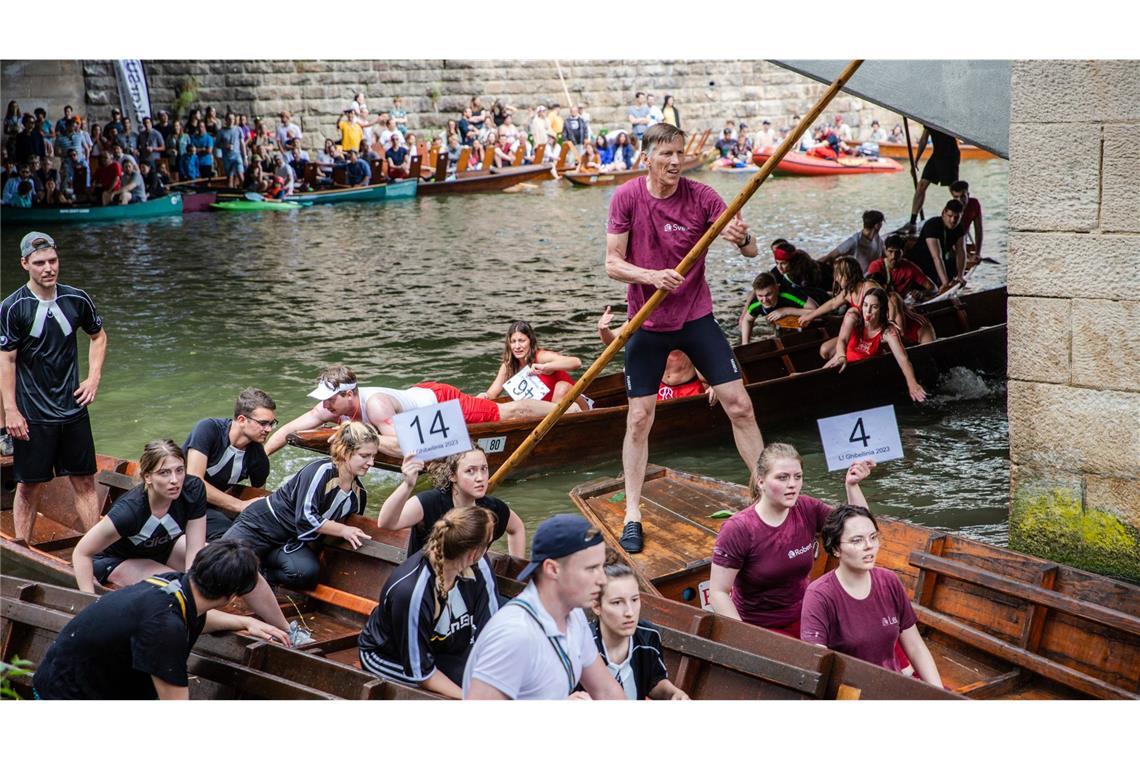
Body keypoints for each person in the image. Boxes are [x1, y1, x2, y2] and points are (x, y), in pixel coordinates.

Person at [605, 123, 765, 553]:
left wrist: (743, 237)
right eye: (665, 155)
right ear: (647, 159)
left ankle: (763, 498)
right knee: (639, 418)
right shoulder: (627, 197)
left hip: (696, 317)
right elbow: (612, 263)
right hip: (646, 322)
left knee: (741, 404)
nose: (674, 161)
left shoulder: (703, 197)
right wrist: (651, 275)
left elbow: (751, 250)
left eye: (679, 153)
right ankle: (633, 513)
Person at [32, 540, 289, 699]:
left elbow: (195, 616)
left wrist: (245, 623)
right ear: (232, 596)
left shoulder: (172, 584)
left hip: (67, 681)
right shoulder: (165, 629)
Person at [221, 421, 377, 638]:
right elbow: (305, 518)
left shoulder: (358, 494)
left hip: (291, 541)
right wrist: (342, 530)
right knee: (222, 563)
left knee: (306, 573)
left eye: (373, 456)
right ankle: (247, 570)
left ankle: (261, 573)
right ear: (345, 452)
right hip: (260, 525)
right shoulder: (320, 471)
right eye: (365, 456)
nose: (371, 462)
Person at [1, 233, 106, 543]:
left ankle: (94, 550)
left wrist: (93, 378)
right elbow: (6, 361)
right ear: (24, 264)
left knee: (85, 481)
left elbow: (98, 336)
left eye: (52, 261)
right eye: (39, 263)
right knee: (28, 484)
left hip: (73, 408)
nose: (48, 268)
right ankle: (24, 547)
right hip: (33, 412)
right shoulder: (12, 307)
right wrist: (10, 412)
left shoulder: (77, 298)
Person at [710, 443, 873, 636]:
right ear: (761, 481)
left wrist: (852, 485)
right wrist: (745, 637)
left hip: (808, 614)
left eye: (798, 477)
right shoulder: (739, 529)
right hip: (763, 627)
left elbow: (858, 529)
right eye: (782, 477)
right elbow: (718, 593)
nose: (792, 485)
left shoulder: (806, 508)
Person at [463, 514, 624, 700]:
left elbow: (606, 691)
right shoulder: (514, 635)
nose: (602, 580)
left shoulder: (574, 615)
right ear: (553, 569)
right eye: (591, 569)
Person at [265, 364, 580, 457]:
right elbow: (289, 429)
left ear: (349, 394)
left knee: (503, 414)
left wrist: (349, 435)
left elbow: (407, 447)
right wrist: (260, 455)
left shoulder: (374, 408)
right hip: (417, 399)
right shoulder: (332, 406)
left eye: (331, 400)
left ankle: (565, 410)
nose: (326, 405)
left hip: (439, 400)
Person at [359, 505, 497, 698]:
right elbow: (421, 672)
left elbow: (491, 630)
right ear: (474, 553)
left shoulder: (479, 564)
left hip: (442, 649)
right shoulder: (412, 591)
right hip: (391, 657)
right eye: (489, 544)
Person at [801, 504, 943, 686]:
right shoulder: (820, 595)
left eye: (873, 537)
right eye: (857, 540)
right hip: (849, 692)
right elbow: (816, 662)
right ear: (836, 549)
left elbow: (916, 648)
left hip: (892, 684)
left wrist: (940, 694)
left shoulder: (889, 581)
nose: (869, 546)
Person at [71, 439, 205, 593]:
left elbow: (196, 548)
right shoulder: (129, 511)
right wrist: (88, 599)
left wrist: (193, 581)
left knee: (213, 563)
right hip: (117, 559)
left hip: (160, 547)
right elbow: (81, 552)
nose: (175, 480)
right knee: (173, 587)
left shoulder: (193, 490)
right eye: (164, 473)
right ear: (147, 477)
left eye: (179, 470)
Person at [379, 446, 526, 556]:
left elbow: (517, 528)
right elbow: (386, 523)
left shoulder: (493, 508)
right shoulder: (430, 502)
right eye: (470, 471)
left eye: (484, 469)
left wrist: (516, 570)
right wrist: (407, 485)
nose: (480, 477)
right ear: (452, 476)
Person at [183, 388, 276, 541]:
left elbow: (258, 495)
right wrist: (239, 505)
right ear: (241, 420)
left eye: (272, 423)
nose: (269, 429)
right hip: (180, 500)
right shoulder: (208, 429)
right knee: (228, 536)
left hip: (211, 509)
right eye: (263, 423)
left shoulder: (258, 458)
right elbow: (194, 481)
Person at [586, 563, 689, 699]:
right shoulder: (580, 646)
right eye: (617, 602)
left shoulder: (648, 636)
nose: (630, 612)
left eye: (634, 599)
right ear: (597, 606)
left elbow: (654, 681)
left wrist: (674, 693)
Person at [824, 287, 928, 402]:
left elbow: (903, 359)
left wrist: (912, 383)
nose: (867, 311)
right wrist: (841, 356)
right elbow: (842, 340)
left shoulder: (888, 331)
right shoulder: (853, 315)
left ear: (882, 310)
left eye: (874, 307)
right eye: (865, 305)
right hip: (841, 363)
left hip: (862, 375)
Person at [596, 307, 706, 402]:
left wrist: (713, 386)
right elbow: (612, 341)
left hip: (689, 389)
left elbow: (708, 354)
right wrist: (603, 329)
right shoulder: (640, 319)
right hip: (657, 387)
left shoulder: (688, 320)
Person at [481, 320, 581, 404]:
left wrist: (546, 367)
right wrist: (484, 396)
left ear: (531, 341)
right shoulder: (508, 366)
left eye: (521, 340)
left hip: (574, 406)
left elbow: (576, 362)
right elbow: (491, 394)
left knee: (561, 387)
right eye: (513, 341)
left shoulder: (541, 357)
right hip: (543, 415)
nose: (517, 346)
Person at [738, 272, 819, 343]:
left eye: (768, 294)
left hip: (817, 297)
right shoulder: (756, 304)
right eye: (760, 296)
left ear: (777, 288)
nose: (765, 300)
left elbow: (816, 310)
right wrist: (745, 344)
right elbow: (747, 320)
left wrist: (786, 311)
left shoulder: (788, 295)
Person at [907, 126, 960, 229]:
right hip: (937, 154)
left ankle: (958, 219)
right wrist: (916, 160)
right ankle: (912, 222)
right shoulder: (927, 119)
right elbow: (923, 139)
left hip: (950, 154)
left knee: (954, 189)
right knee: (921, 185)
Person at [865, 234, 937, 301]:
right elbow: (870, 292)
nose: (894, 256)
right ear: (885, 251)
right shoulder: (876, 266)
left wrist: (921, 294)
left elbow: (933, 288)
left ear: (903, 252)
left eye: (897, 252)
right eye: (890, 251)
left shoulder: (910, 267)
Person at [916, 199, 967, 288]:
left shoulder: (959, 227)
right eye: (950, 216)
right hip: (922, 263)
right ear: (944, 212)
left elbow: (961, 252)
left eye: (957, 217)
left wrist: (960, 275)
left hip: (942, 260)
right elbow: (936, 257)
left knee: (952, 269)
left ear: (961, 216)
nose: (953, 220)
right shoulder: (932, 225)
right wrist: (945, 283)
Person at [820, 210, 885, 272]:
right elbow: (830, 256)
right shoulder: (854, 241)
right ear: (877, 225)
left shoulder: (877, 238)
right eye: (881, 223)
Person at [950, 180, 984, 261]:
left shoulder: (974, 203)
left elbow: (978, 230)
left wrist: (977, 253)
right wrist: (968, 257)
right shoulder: (950, 210)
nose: (959, 201)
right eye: (956, 197)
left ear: (968, 195)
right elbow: (951, 240)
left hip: (962, 236)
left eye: (962, 196)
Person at [216, 113, 246, 190]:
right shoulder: (221, 131)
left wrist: (245, 156)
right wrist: (224, 146)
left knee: (240, 175)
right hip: (227, 157)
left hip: (237, 156)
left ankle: (244, 191)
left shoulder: (238, 129)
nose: (231, 121)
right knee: (230, 178)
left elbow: (242, 143)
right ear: (226, 120)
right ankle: (231, 193)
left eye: (232, 119)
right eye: (229, 119)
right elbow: (217, 144)